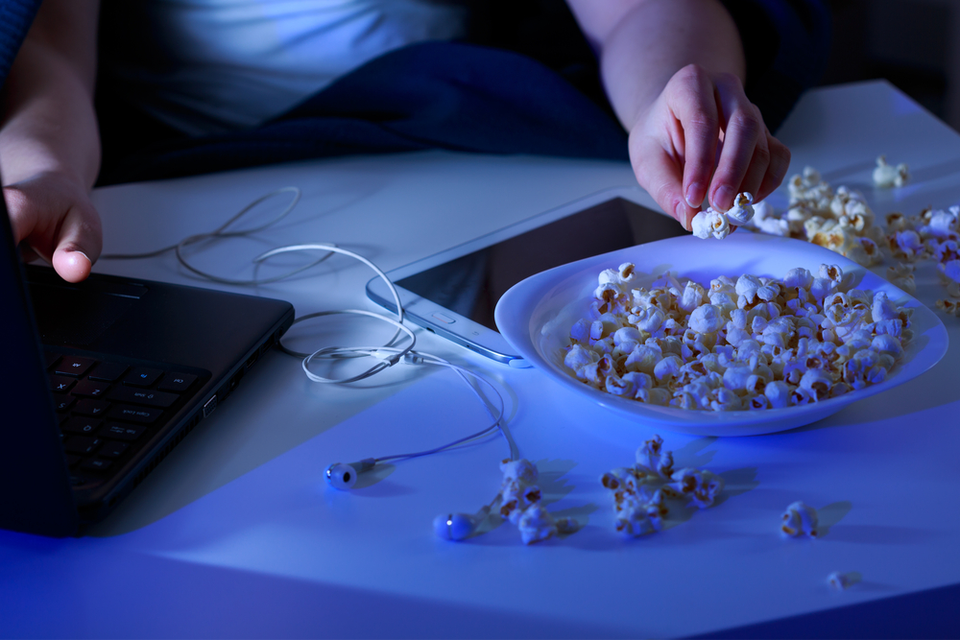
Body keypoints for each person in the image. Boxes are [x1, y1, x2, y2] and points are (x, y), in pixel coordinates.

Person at [0, 0, 830, 283]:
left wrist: (672, 97)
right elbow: (51, 47)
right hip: (184, 186)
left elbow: (641, 11)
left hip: (440, 153)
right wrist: (45, 167)